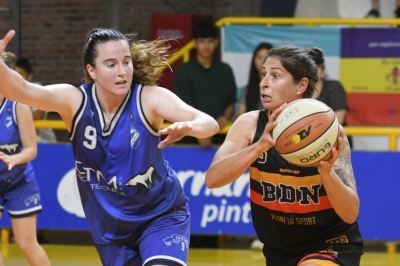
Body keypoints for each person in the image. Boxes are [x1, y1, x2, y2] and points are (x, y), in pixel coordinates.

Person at [0, 29, 219, 266]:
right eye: (111, 64)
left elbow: (209, 123)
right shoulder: (74, 101)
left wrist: (188, 127)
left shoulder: (149, 98)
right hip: (112, 230)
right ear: (91, 70)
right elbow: (19, 90)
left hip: (161, 216)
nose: (122, 71)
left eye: (126, 62)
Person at [205, 45, 364, 265]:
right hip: (279, 249)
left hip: (329, 242)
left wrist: (327, 174)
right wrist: (259, 146)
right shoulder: (249, 125)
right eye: (264, 74)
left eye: (275, 76)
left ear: (301, 85)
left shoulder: (327, 132)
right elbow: (213, 179)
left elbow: (350, 213)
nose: (264, 82)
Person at [0, 51, 51, 266]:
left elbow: (31, 149)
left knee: (26, 243)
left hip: (18, 181)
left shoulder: (17, 104)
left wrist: (15, 158)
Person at [174, 21, 237, 147]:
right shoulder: (184, 71)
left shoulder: (225, 70)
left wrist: (223, 119)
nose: (206, 46)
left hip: (220, 135)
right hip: (189, 136)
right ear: (195, 43)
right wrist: (199, 132)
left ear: (217, 43)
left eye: (210, 41)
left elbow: (231, 102)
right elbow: (183, 107)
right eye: (202, 41)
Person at [15, 57, 58, 143]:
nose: (17, 78)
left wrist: (14, 118)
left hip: (45, 142)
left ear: (29, 77)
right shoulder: (8, 93)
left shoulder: (37, 88)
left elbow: (38, 115)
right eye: (14, 74)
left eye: (20, 74)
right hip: (21, 141)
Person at [312, 59, 353, 148]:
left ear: (323, 70)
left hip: (335, 143)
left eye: (315, 67)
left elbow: (337, 121)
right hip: (306, 145)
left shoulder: (333, 87)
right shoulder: (297, 90)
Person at [236, 42, 273, 119]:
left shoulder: (281, 87)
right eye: (259, 58)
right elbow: (240, 116)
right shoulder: (247, 89)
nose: (263, 62)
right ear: (254, 60)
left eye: (266, 58)